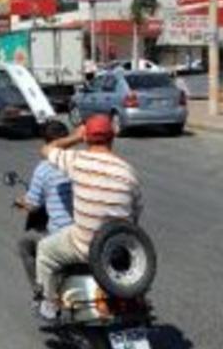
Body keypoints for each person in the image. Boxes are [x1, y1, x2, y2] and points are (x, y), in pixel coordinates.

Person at [33, 114, 142, 321]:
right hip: (120, 248)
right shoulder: (128, 172)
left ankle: (49, 303)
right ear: (112, 138)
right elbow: (136, 214)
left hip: (84, 247)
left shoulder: (78, 161)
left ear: (86, 138)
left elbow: (46, 150)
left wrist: (75, 137)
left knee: (44, 250)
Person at [14, 121, 74, 305]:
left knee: (25, 244)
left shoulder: (44, 168)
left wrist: (20, 202)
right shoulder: (83, 161)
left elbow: (32, 204)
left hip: (62, 235)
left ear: (47, 144)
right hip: (94, 233)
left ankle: (42, 294)